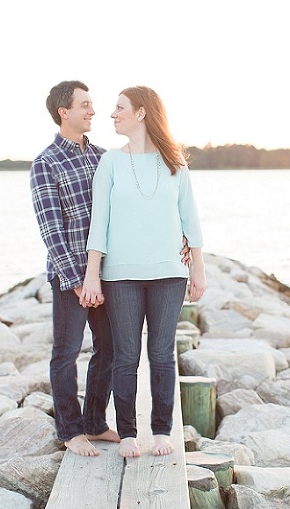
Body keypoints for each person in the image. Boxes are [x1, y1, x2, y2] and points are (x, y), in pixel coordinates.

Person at [82, 86, 207, 458]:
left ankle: (162, 431)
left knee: (161, 352)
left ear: (141, 113)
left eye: (119, 108)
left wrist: (199, 269)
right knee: (125, 354)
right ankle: (128, 435)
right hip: (120, 273)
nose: (112, 114)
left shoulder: (175, 163)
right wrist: (93, 274)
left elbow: (191, 219)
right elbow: (98, 223)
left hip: (169, 272)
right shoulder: (111, 163)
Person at [29, 80, 120, 457]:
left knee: (110, 348)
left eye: (92, 104)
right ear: (64, 112)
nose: (93, 111)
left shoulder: (103, 157)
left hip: (107, 271)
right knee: (66, 352)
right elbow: (51, 230)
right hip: (70, 276)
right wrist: (78, 281)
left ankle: (95, 422)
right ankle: (70, 429)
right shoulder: (46, 162)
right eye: (85, 105)